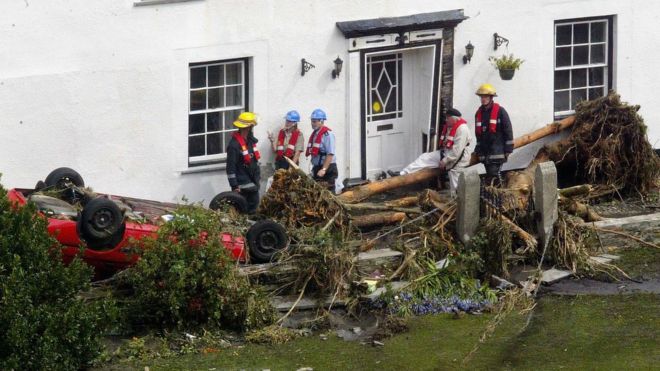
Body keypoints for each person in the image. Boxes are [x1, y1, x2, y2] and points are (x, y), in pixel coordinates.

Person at [387, 108, 471, 197]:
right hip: (447, 153)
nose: (446, 120)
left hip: (458, 159)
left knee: (455, 183)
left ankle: (458, 204)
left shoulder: (462, 129)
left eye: (448, 118)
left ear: (454, 119)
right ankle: (402, 173)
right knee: (425, 157)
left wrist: (445, 161)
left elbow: (457, 151)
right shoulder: (451, 126)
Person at [473, 83, 514, 186]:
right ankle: (495, 198)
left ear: (491, 97)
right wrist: (478, 150)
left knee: (493, 177)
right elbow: (478, 135)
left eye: (485, 96)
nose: (483, 99)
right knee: (492, 177)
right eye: (481, 97)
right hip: (485, 154)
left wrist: (508, 149)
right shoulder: (479, 114)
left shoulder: (500, 112)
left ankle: (497, 199)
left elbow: (508, 131)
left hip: (497, 152)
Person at [226, 111, 261, 214]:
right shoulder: (234, 145)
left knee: (253, 206)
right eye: (251, 126)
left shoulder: (250, 141)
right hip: (242, 184)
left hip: (253, 180)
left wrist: (257, 178)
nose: (252, 128)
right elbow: (230, 168)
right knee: (245, 208)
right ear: (247, 127)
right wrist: (234, 186)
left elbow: (254, 161)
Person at [306, 108, 337, 190]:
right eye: (312, 121)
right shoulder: (315, 134)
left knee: (329, 194)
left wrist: (323, 169)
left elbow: (330, 154)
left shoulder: (328, 135)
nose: (312, 123)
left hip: (328, 168)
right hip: (317, 167)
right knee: (316, 193)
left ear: (321, 121)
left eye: (314, 121)